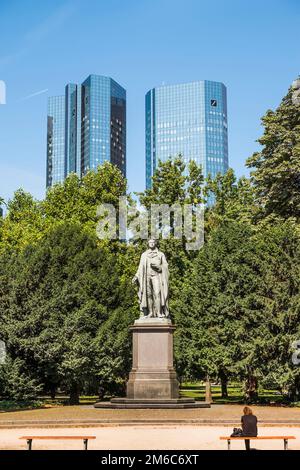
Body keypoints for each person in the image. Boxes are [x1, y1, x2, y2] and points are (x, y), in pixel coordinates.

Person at [132, 239, 169, 318]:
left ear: (155, 243)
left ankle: (159, 313)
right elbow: (140, 267)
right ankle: (151, 313)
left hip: (156, 276)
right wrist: (136, 276)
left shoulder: (160, 254)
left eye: (153, 242)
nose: (151, 244)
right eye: (150, 242)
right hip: (146, 277)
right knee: (148, 295)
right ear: (148, 244)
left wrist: (160, 267)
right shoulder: (144, 255)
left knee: (157, 293)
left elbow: (165, 266)